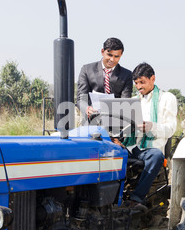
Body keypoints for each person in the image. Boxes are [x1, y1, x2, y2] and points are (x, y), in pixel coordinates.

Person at [118, 62, 177, 212]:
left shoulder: (166, 98)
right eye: (136, 83)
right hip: (132, 146)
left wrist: (152, 127)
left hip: (151, 149)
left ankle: (135, 199)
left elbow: (170, 129)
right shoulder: (132, 100)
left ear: (153, 79)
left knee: (156, 156)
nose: (139, 87)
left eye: (142, 82)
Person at [76, 38, 133, 123]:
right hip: (91, 121)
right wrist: (87, 109)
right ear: (102, 51)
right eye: (109, 55)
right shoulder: (87, 70)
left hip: (116, 123)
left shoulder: (127, 75)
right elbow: (81, 98)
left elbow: (125, 101)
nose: (112, 60)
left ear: (121, 55)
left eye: (116, 56)